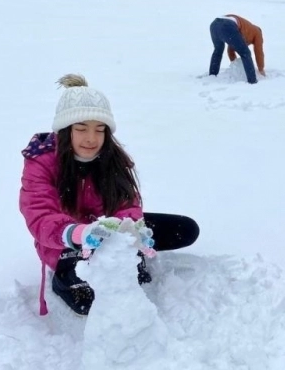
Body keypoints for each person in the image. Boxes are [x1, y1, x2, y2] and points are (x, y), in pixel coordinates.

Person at [19, 74, 200, 316]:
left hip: (109, 232)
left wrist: (132, 230)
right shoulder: (42, 162)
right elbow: (40, 216)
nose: (91, 138)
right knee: (90, 300)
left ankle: (120, 260)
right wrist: (78, 233)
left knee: (185, 229)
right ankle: (65, 278)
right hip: (65, 241)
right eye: (81, 128)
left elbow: (127, 202)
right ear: (65, 130)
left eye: (99, 129)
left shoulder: (112, 158)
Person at [208, 14, 266, 84]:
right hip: (227, 25)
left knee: (218, 50)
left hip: (214, 24)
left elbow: (231, 49)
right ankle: (252, 80)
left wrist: (235, 64)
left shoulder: (246, 29)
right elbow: (258, 51)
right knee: (246, 53)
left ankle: (212, 75)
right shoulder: (257, 32)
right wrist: (261, 69)